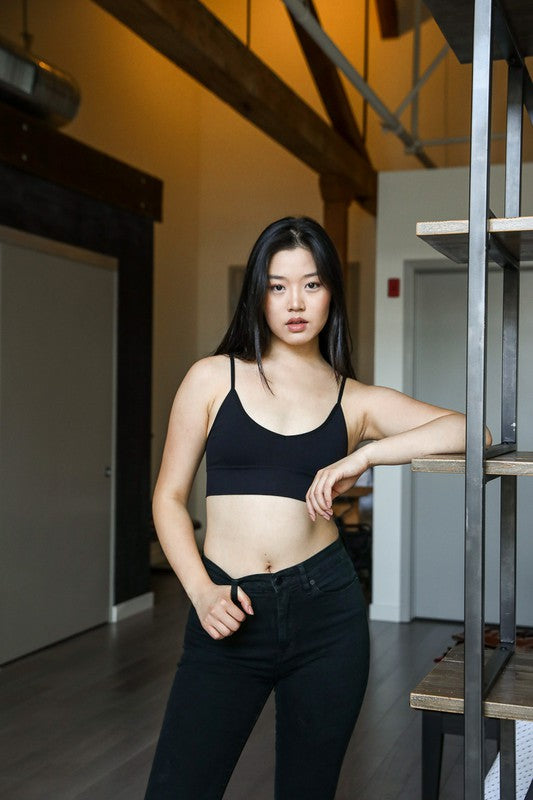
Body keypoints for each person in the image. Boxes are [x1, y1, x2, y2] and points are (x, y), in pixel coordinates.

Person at [144, 216, 471, 800]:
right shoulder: (211, 378)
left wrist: (367, 457)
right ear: (258, 294)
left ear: (331, 295)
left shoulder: (357, 399)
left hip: (327, 615)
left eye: (312, 284)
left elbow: (471, 430)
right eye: (278, 285)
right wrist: (200, 590)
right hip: (227, 607)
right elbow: (168, 498)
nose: (295, 302)